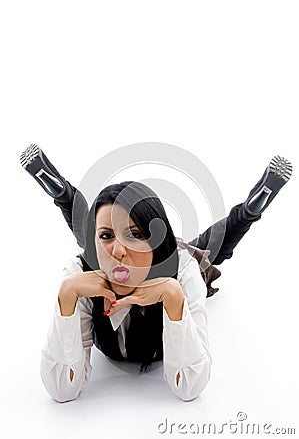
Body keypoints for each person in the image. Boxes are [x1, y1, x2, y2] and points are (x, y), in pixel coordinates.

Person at [20, 145, 292, 402]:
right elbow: (61, 390)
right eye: (106, 237)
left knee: (208, 249)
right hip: (114, 256)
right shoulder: (78, 276)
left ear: (155, 238)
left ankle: (248, 211)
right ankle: (65, 197)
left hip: (166, 262)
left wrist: (173, 296)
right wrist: (66, 296)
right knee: (93, 233)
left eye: (135, 234)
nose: (118, 251)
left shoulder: (183, 273)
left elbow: (189, 388)